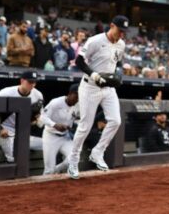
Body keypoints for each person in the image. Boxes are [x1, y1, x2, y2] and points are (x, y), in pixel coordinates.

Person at [67, 16, 128, 179]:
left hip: (107, 87)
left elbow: (118, 63)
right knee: (85, 126)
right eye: (120, 30)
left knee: (116, 120)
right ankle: (73, 160)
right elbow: (78, 61)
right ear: (112, 26)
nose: (122, 34)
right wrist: (93, 74)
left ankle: (97, 152)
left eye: (124, 32)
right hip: (90, 86)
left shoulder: (121, 44)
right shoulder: (95, 40)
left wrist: (118, 73)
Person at [0, 71, 45, 162]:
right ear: (22, 81)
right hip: (5, 130)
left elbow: (39, 115)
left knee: (47, 144)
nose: (32, 85)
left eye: (34, 82)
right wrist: (0, 128)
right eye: (30, 82)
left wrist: (36, 120)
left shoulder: (38, 95)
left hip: (22, 131)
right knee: (13, 158)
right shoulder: (6, 93)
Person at [39, 84, 79, 175]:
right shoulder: (56, 102)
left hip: (65, 137)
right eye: (76, 97)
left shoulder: (78, 105)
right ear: (70, 93)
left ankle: (56, 170)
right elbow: (42, 117)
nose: (77, 100)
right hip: (50, 137)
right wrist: (55, 125)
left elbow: (77, 119)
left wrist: (74, 126)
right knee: (48, 170)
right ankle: (48, 178)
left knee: (73, 158)